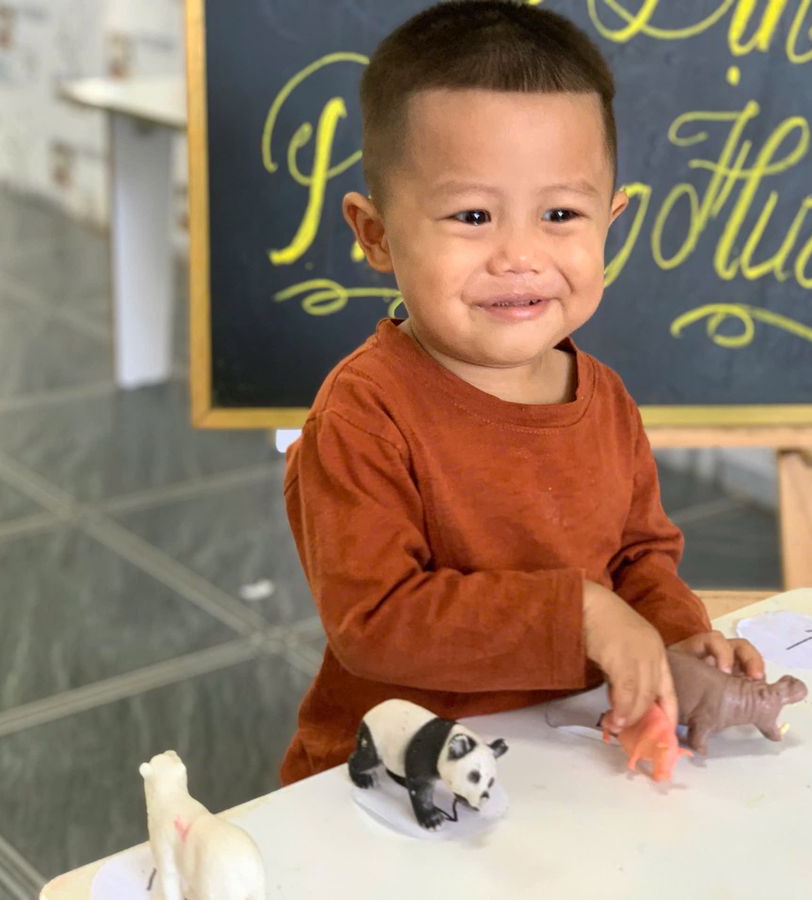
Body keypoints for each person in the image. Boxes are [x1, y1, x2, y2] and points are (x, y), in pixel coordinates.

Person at [279, 0, 764, 785]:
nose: (520, 256)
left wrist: (675, 634)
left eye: (560, 214)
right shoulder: (363, 415)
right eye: (473, 215)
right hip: (400, 781)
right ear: (377, 234)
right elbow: (375, 620)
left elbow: (639, 556)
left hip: (567, 758)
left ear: (611, 221)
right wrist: (580, 616)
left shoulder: (604, 399)